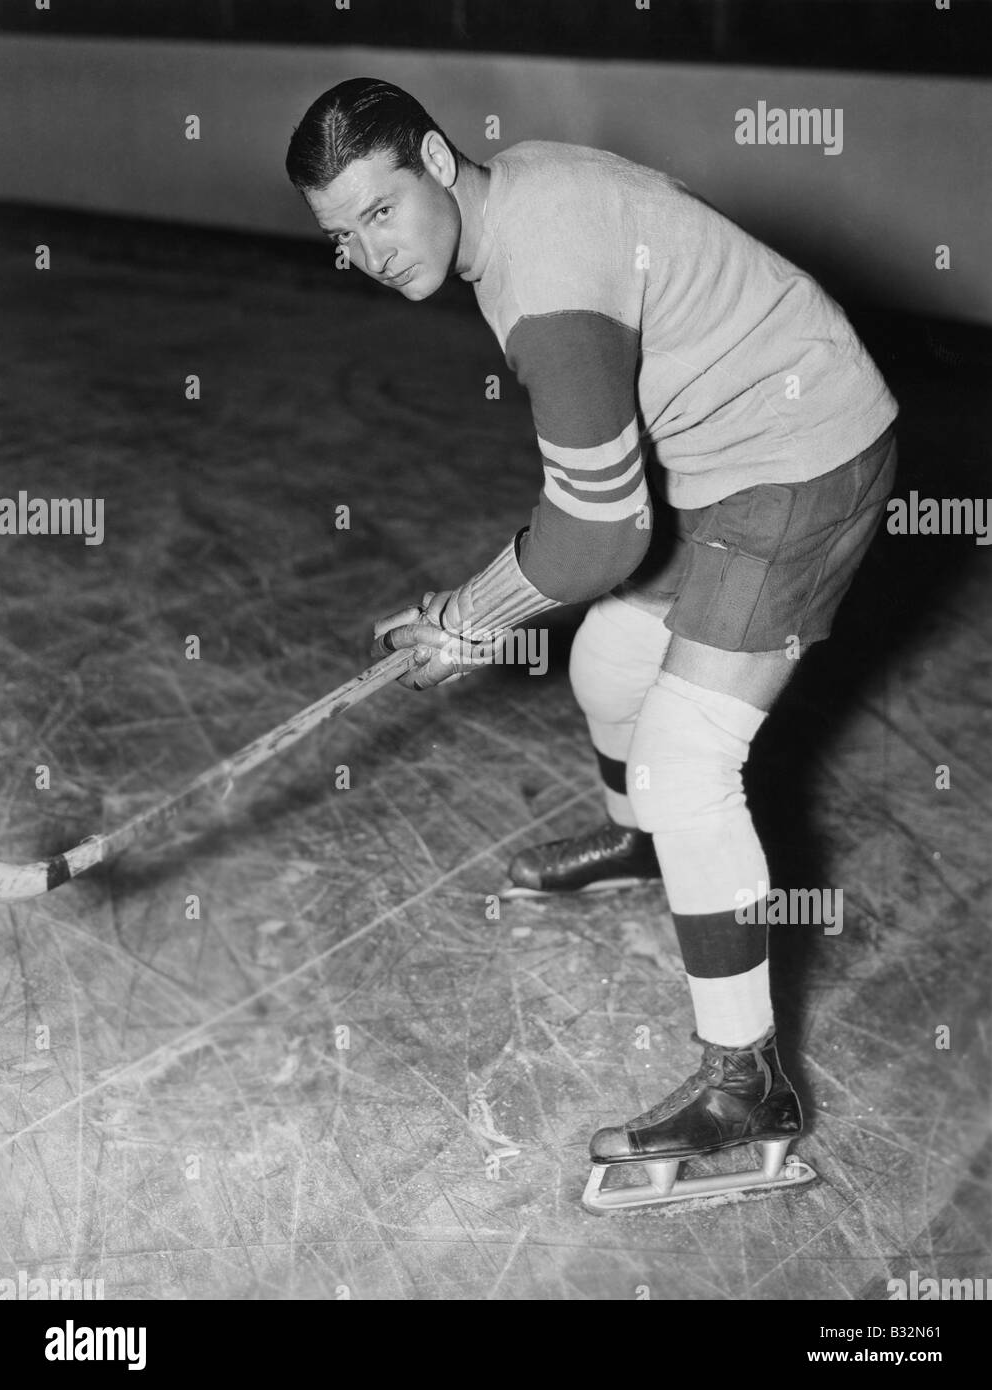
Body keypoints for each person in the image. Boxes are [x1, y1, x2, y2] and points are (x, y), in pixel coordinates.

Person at [285, 78, 898, 1210]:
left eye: (380, 212)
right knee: (607, 664)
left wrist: (471, 617)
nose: (368, 251)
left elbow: (601, 531)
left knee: (684, 757)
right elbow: (599, 515)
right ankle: (645, 848)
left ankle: (749, 1082)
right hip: (722, 456)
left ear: (432, 154)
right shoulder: (511, 205)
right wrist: (486, 608)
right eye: (341, 236)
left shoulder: (542, 273)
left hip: (801, 458)